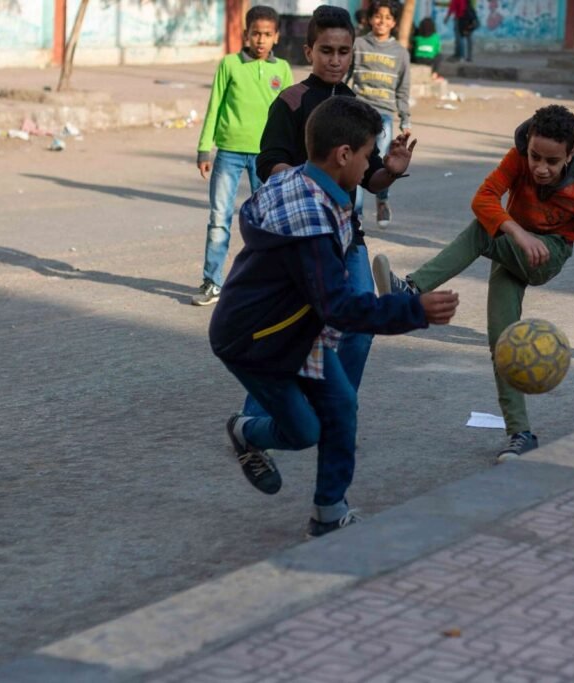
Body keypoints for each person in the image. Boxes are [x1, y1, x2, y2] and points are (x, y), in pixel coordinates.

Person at [370, 105, 574, 462]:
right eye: (535, 157)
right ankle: (520, 433)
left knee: (481, 233)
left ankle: (411, 289)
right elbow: (483, 198)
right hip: (514, 247)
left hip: (548, 255)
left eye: (552, 161)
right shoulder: (517, 159)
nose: (540, 168)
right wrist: (517, 232)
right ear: (527, 147)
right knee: (503, 344)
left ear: (571, 155)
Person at [211, 97, 459, 537]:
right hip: (255, 341)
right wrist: (412, 309)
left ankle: (329, 512)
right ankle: (247, 431)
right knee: (304, 430)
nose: (369, 169)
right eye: (368, 156)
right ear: (344, 155)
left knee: (342, 404)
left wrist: (390, 173)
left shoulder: (315, 186)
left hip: (302, 329)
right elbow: (339, 306)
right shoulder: (309, 219)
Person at [257, 6, 415, 392]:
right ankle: (252, 427)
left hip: (347, 238)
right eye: (326, 50)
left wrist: (391, 169)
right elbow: (269, 163)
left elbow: (372, 179)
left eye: (343, 52)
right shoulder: (291, 102)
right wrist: (311, 184)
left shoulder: (356, 109)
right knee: (292, 334)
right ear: (309, 52)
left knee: (360, 328)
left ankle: (339, 410)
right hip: (301, 238)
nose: (335, 60)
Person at [192, 5, 293, 306]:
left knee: (267, 220)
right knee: (219, 217)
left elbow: (290, 114)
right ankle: (212, 281)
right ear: (245, 34)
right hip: (229, 152)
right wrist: (203, 148)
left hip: (268, 157)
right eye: (255, 34)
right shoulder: (230, 64)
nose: (260, 40)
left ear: (276, 36)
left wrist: (294, 154)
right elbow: (214, 107)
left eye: (267, 34)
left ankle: (267, 284)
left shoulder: (283, 69)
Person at [351, 0, 412, 228]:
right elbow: (346, 76)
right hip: (358, 112)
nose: (382, 21)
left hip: (384, 115)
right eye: (378, 16)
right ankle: (355, 213)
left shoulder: (400, 53)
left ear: (394, 22)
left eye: (387, 18)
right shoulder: (358, 44)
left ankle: (382, 201)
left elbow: (403, 89)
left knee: (383, 160)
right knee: (355, 159)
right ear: (369, 18)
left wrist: (406, 118)